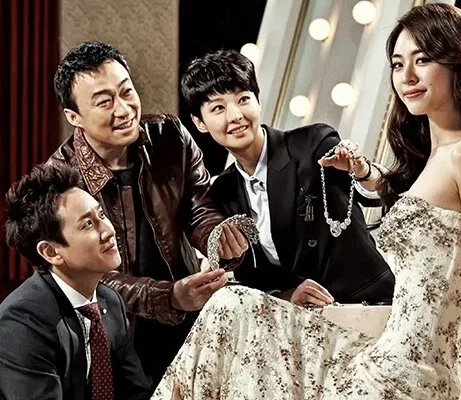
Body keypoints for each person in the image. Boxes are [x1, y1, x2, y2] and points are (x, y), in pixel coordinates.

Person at [153, 3, 461, 399]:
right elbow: (408, 199)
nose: (407, 76)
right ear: (199, 122)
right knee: (229, 309)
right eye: (398, 64)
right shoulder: (434, 159)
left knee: (230, 308)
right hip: (381, 355)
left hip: (409, 366)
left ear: (458, 61)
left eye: (422, 60)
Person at [47, 41, 248, 387]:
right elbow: (86, 277)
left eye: (127, 92)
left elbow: (200, 208)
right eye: (104, 102)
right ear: (74, 117)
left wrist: (218, 238)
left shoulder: (170, 136)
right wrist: (169, 297)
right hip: (113, 336)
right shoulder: (58, 181)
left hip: (188, 316)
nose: (124, 109)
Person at [179, 49, 395, 306]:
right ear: (200, 123)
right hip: (299, 318)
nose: (235, 116)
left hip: (368, 302)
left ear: (258, 100)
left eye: (243, 99)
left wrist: (362, 170)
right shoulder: (222, 191)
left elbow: (381, 193)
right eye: (218, 108)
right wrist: (287, 296)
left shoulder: (312, 144)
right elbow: (252, 274)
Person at [0, 163, 152, 399]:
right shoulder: (21, 323)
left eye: (101, 215)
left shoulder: (110, 301)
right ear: (51, 252)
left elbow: (136, 392)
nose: (109, 231)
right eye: (88, 224)